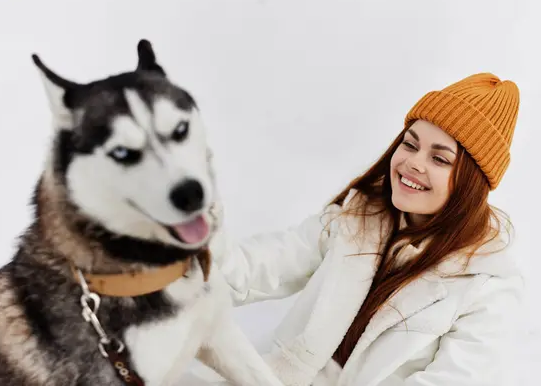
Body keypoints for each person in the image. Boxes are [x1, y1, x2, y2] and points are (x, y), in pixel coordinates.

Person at [191, 73, 524, 386]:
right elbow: (256, 268)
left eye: (439, 159)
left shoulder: (488, 286)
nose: (413, 163)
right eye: (410, 144)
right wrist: (183, 251)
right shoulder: (358, 216)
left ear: (471, 183)